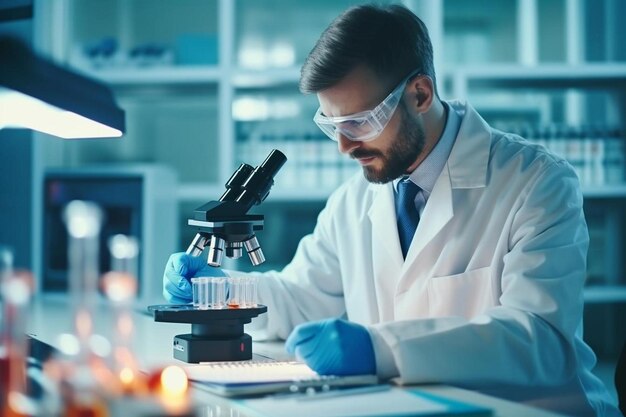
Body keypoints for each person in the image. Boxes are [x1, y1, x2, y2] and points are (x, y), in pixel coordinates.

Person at [163, 4, 620, 417]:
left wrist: (382, 349)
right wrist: (218, 294)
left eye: (359, 122)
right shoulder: (352, 201)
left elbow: (539, 339)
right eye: (331, 125)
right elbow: (302, 297)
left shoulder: (536, 183)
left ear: (420, 94)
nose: (344, 146)